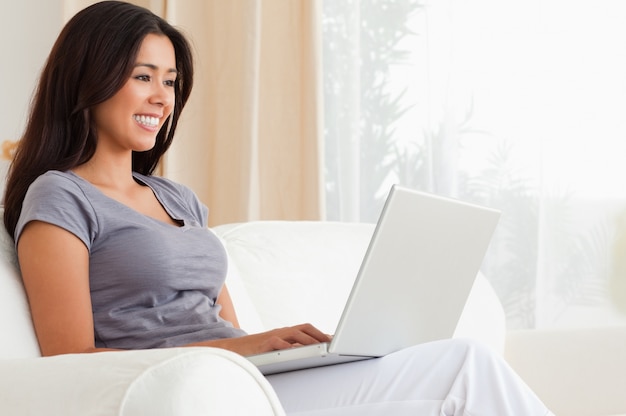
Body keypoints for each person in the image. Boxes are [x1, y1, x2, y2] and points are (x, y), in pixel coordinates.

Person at [4, 2, 554, 415]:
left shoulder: (180, 200)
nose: (162, 98)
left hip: (247, 383)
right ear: (89, 79)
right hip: (192, 387)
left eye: (169, 82)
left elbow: (226, 327)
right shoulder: (60, 196)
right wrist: (242, 349)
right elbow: (69, 357)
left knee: (447, 361)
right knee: (462, 364)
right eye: (142, 76)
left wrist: (273, 350)